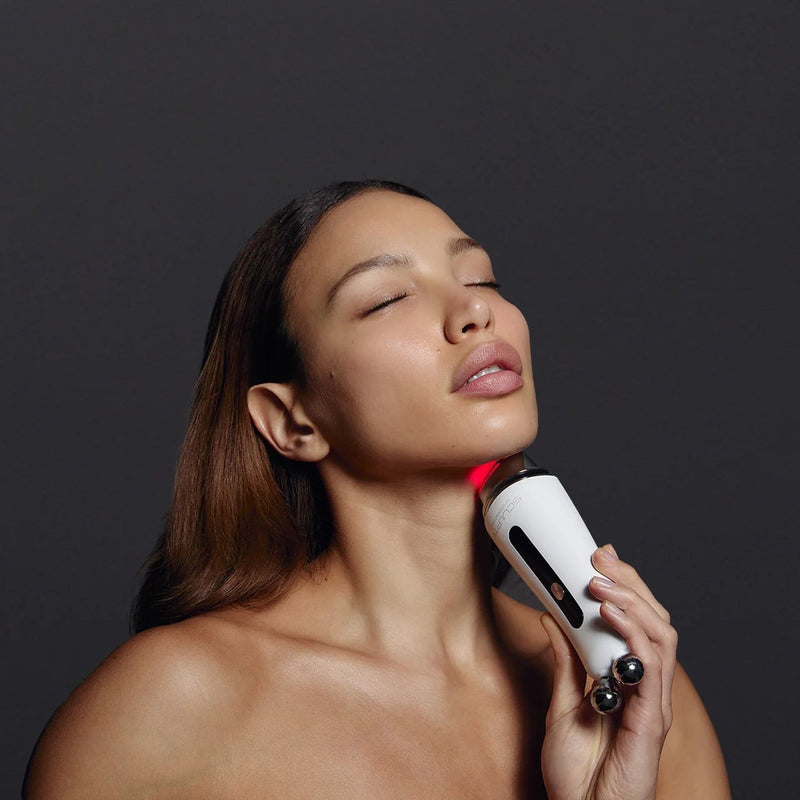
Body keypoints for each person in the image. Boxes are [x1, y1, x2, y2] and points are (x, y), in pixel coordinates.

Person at [23, 180, 731, 799]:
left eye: (481, 280)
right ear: (291, 421)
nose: (473, 313)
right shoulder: (167, 709)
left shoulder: (634, 696)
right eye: (388, 298)